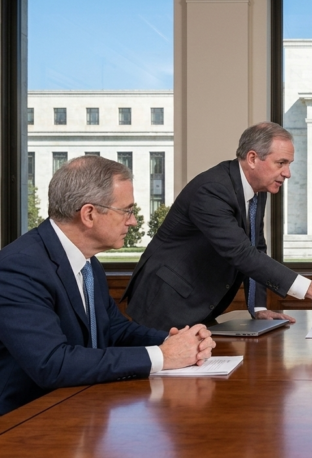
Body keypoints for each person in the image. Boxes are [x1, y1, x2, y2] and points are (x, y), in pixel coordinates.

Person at [0, 156, 215, 416]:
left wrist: (176, 342)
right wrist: (162, 356)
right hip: (25, 421)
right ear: (89, 214)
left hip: (82, 409)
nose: (133, 221)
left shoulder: (87, 261)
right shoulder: (18, 267)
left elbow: (114, 329)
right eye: (126, 211)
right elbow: (52, 364)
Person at [124, 121, 312, 330]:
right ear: (252, 159)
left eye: (289, 164)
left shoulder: (259, 190)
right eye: (281, 163)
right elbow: (241, 253)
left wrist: (258, 307)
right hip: (165, 302)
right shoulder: (212, 190)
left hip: (198, 304)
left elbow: (255, 247)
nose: (288, 173)